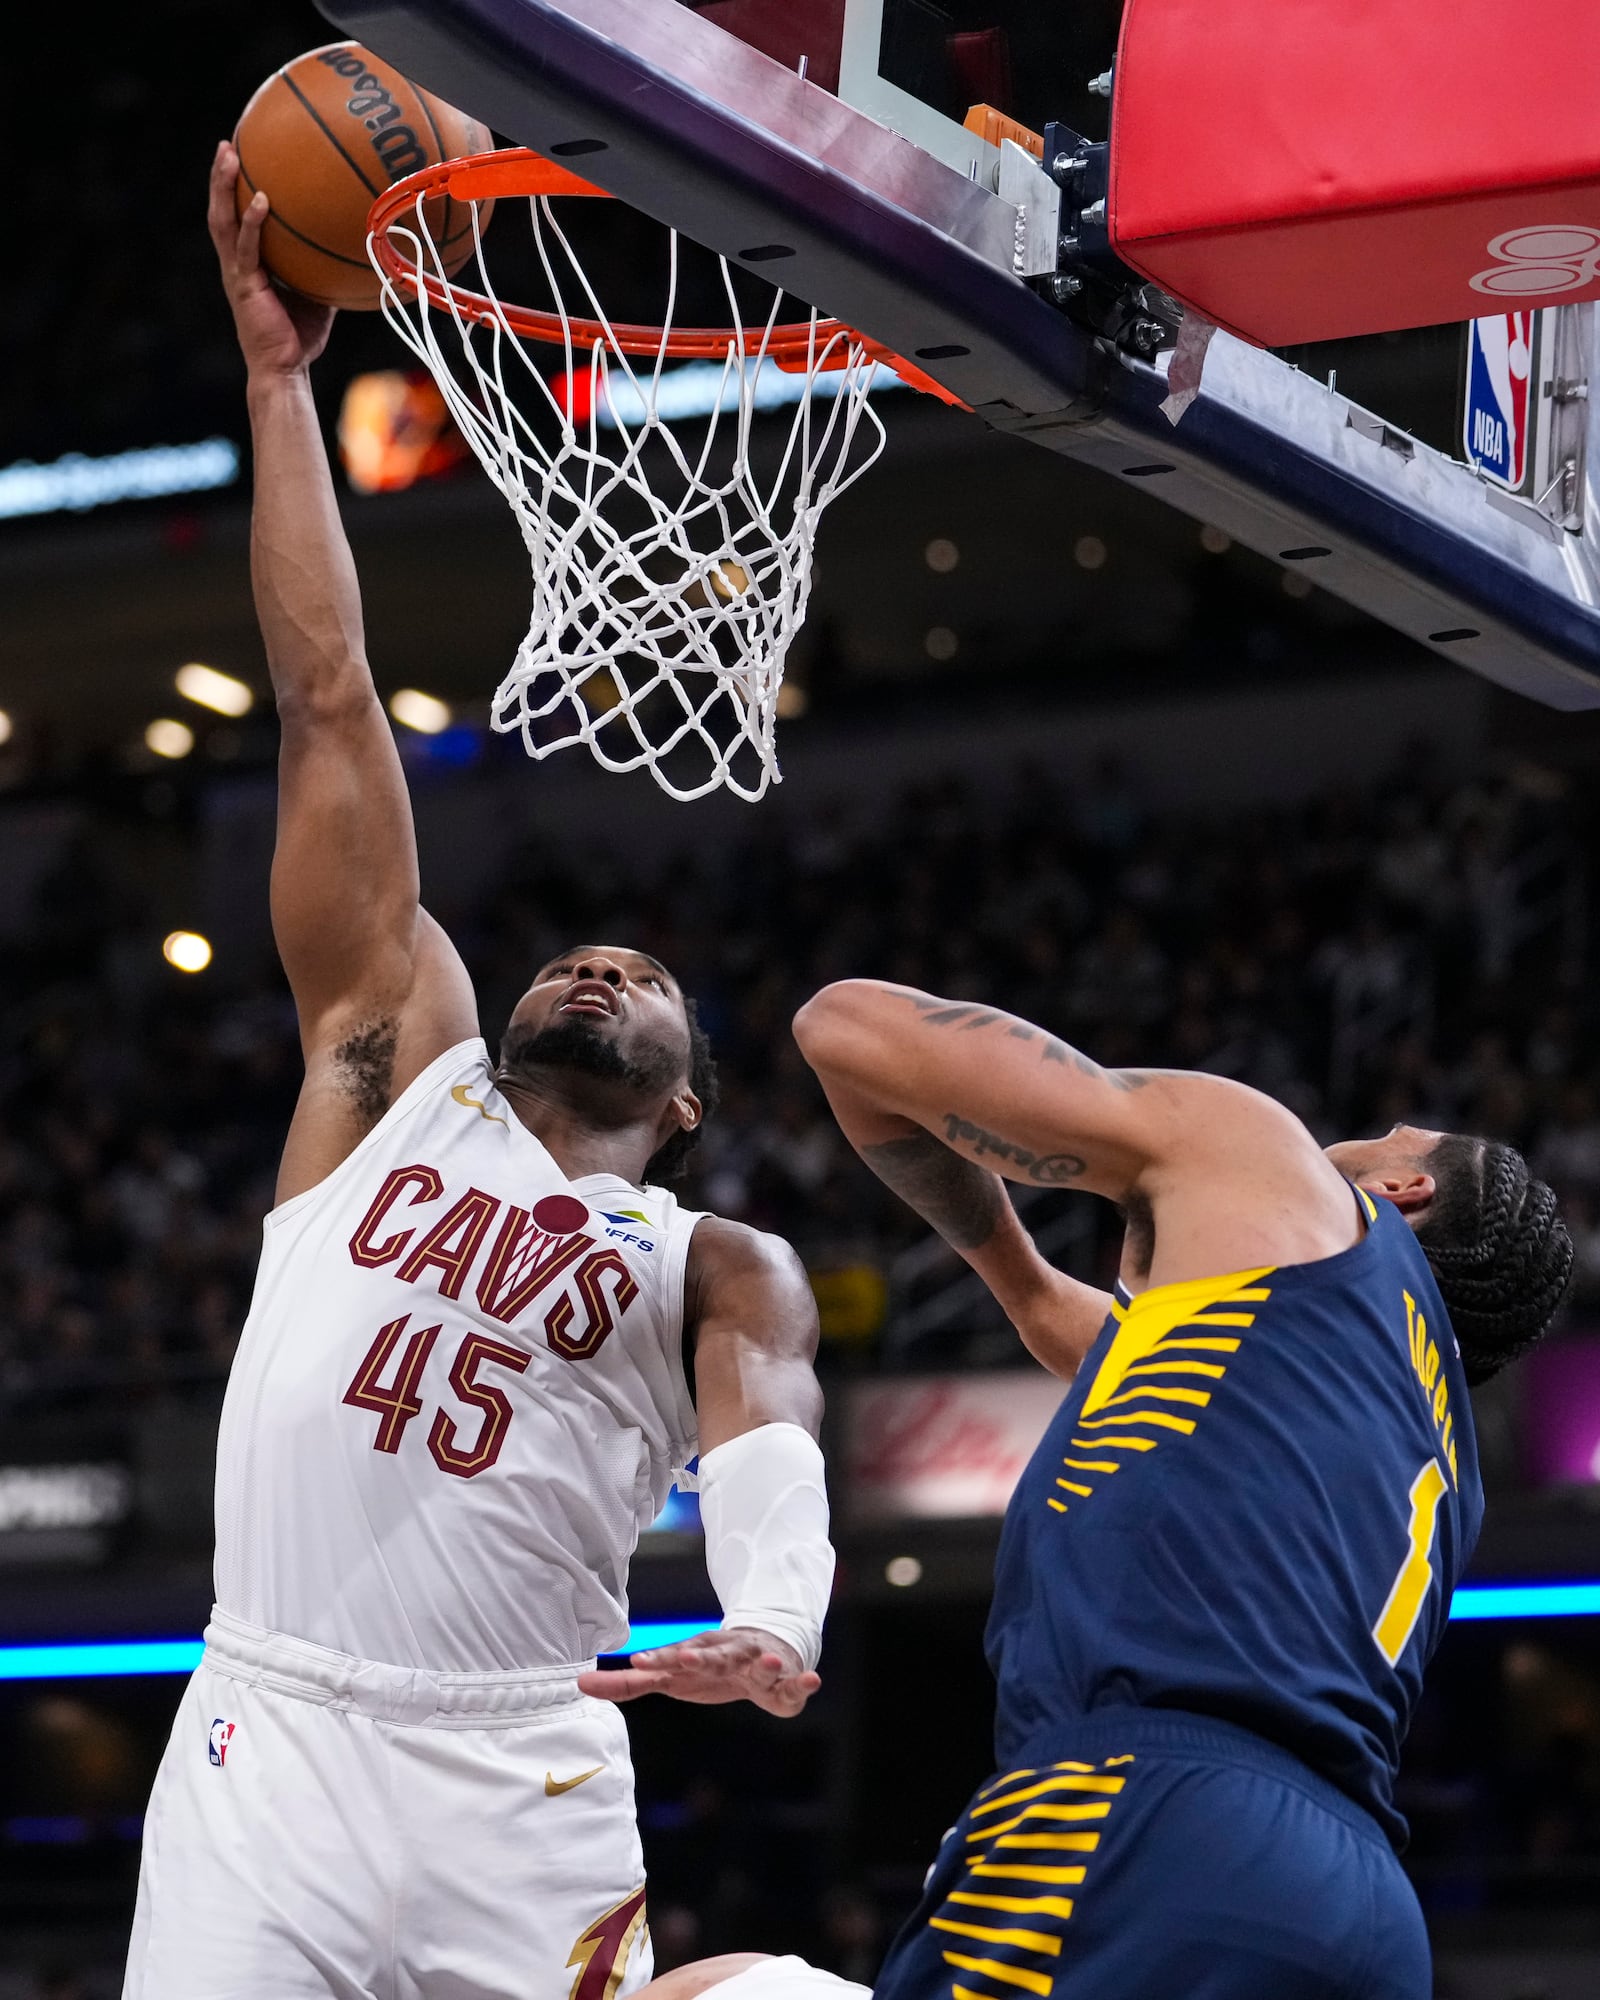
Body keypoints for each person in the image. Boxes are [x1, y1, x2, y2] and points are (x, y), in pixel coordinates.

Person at [121, 146, 836, 2000]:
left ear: (682, 1100)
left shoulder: (709, 1262)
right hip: (265, 1729)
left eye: (651, 975)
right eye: (581, 955)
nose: (604, 962)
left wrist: (774, 1621)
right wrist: (280, 382)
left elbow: (770, 1438)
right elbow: (327, 692)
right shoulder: (388, 1074)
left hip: (515, 1768)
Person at [785, 978, 1573, 2000]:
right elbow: (1100, 1346)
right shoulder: (1433, 1450)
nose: (1365, 1136)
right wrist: (1018, 1277)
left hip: (1150, 1816)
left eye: (1390, 1137)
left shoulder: (1273, 1162)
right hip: (1360, 1898)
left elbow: (843, 1027)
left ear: (1404, 1194)